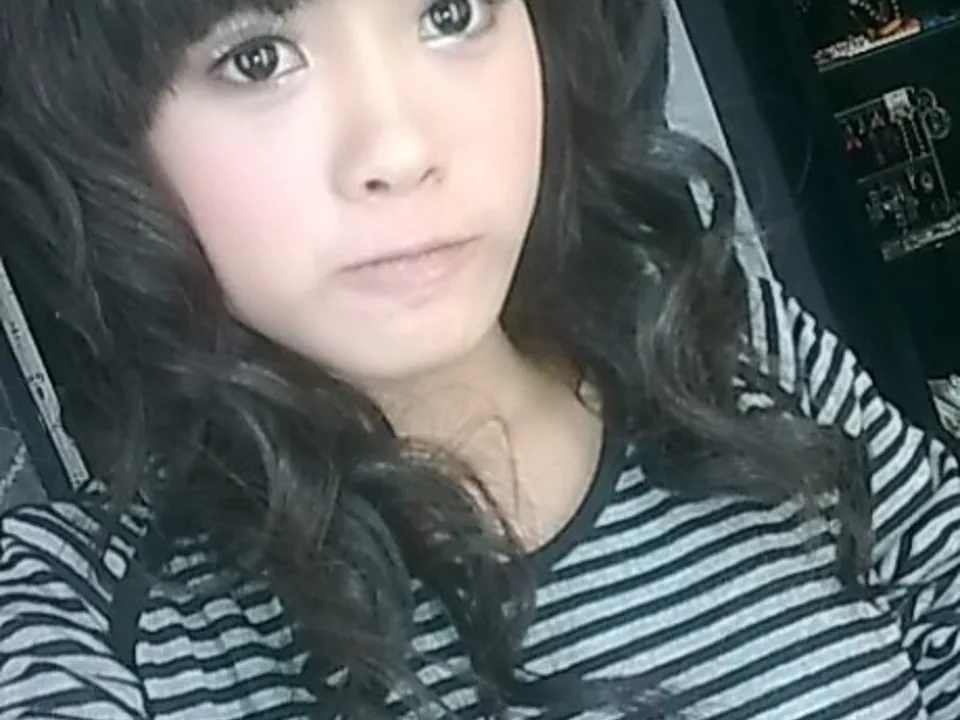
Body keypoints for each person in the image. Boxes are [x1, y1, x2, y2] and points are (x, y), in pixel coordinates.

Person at [0, 0, 958, 718]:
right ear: (111, 141)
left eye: (451, 13)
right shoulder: (83, 626)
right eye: (257, 58)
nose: (399, 149)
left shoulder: (722, 350)